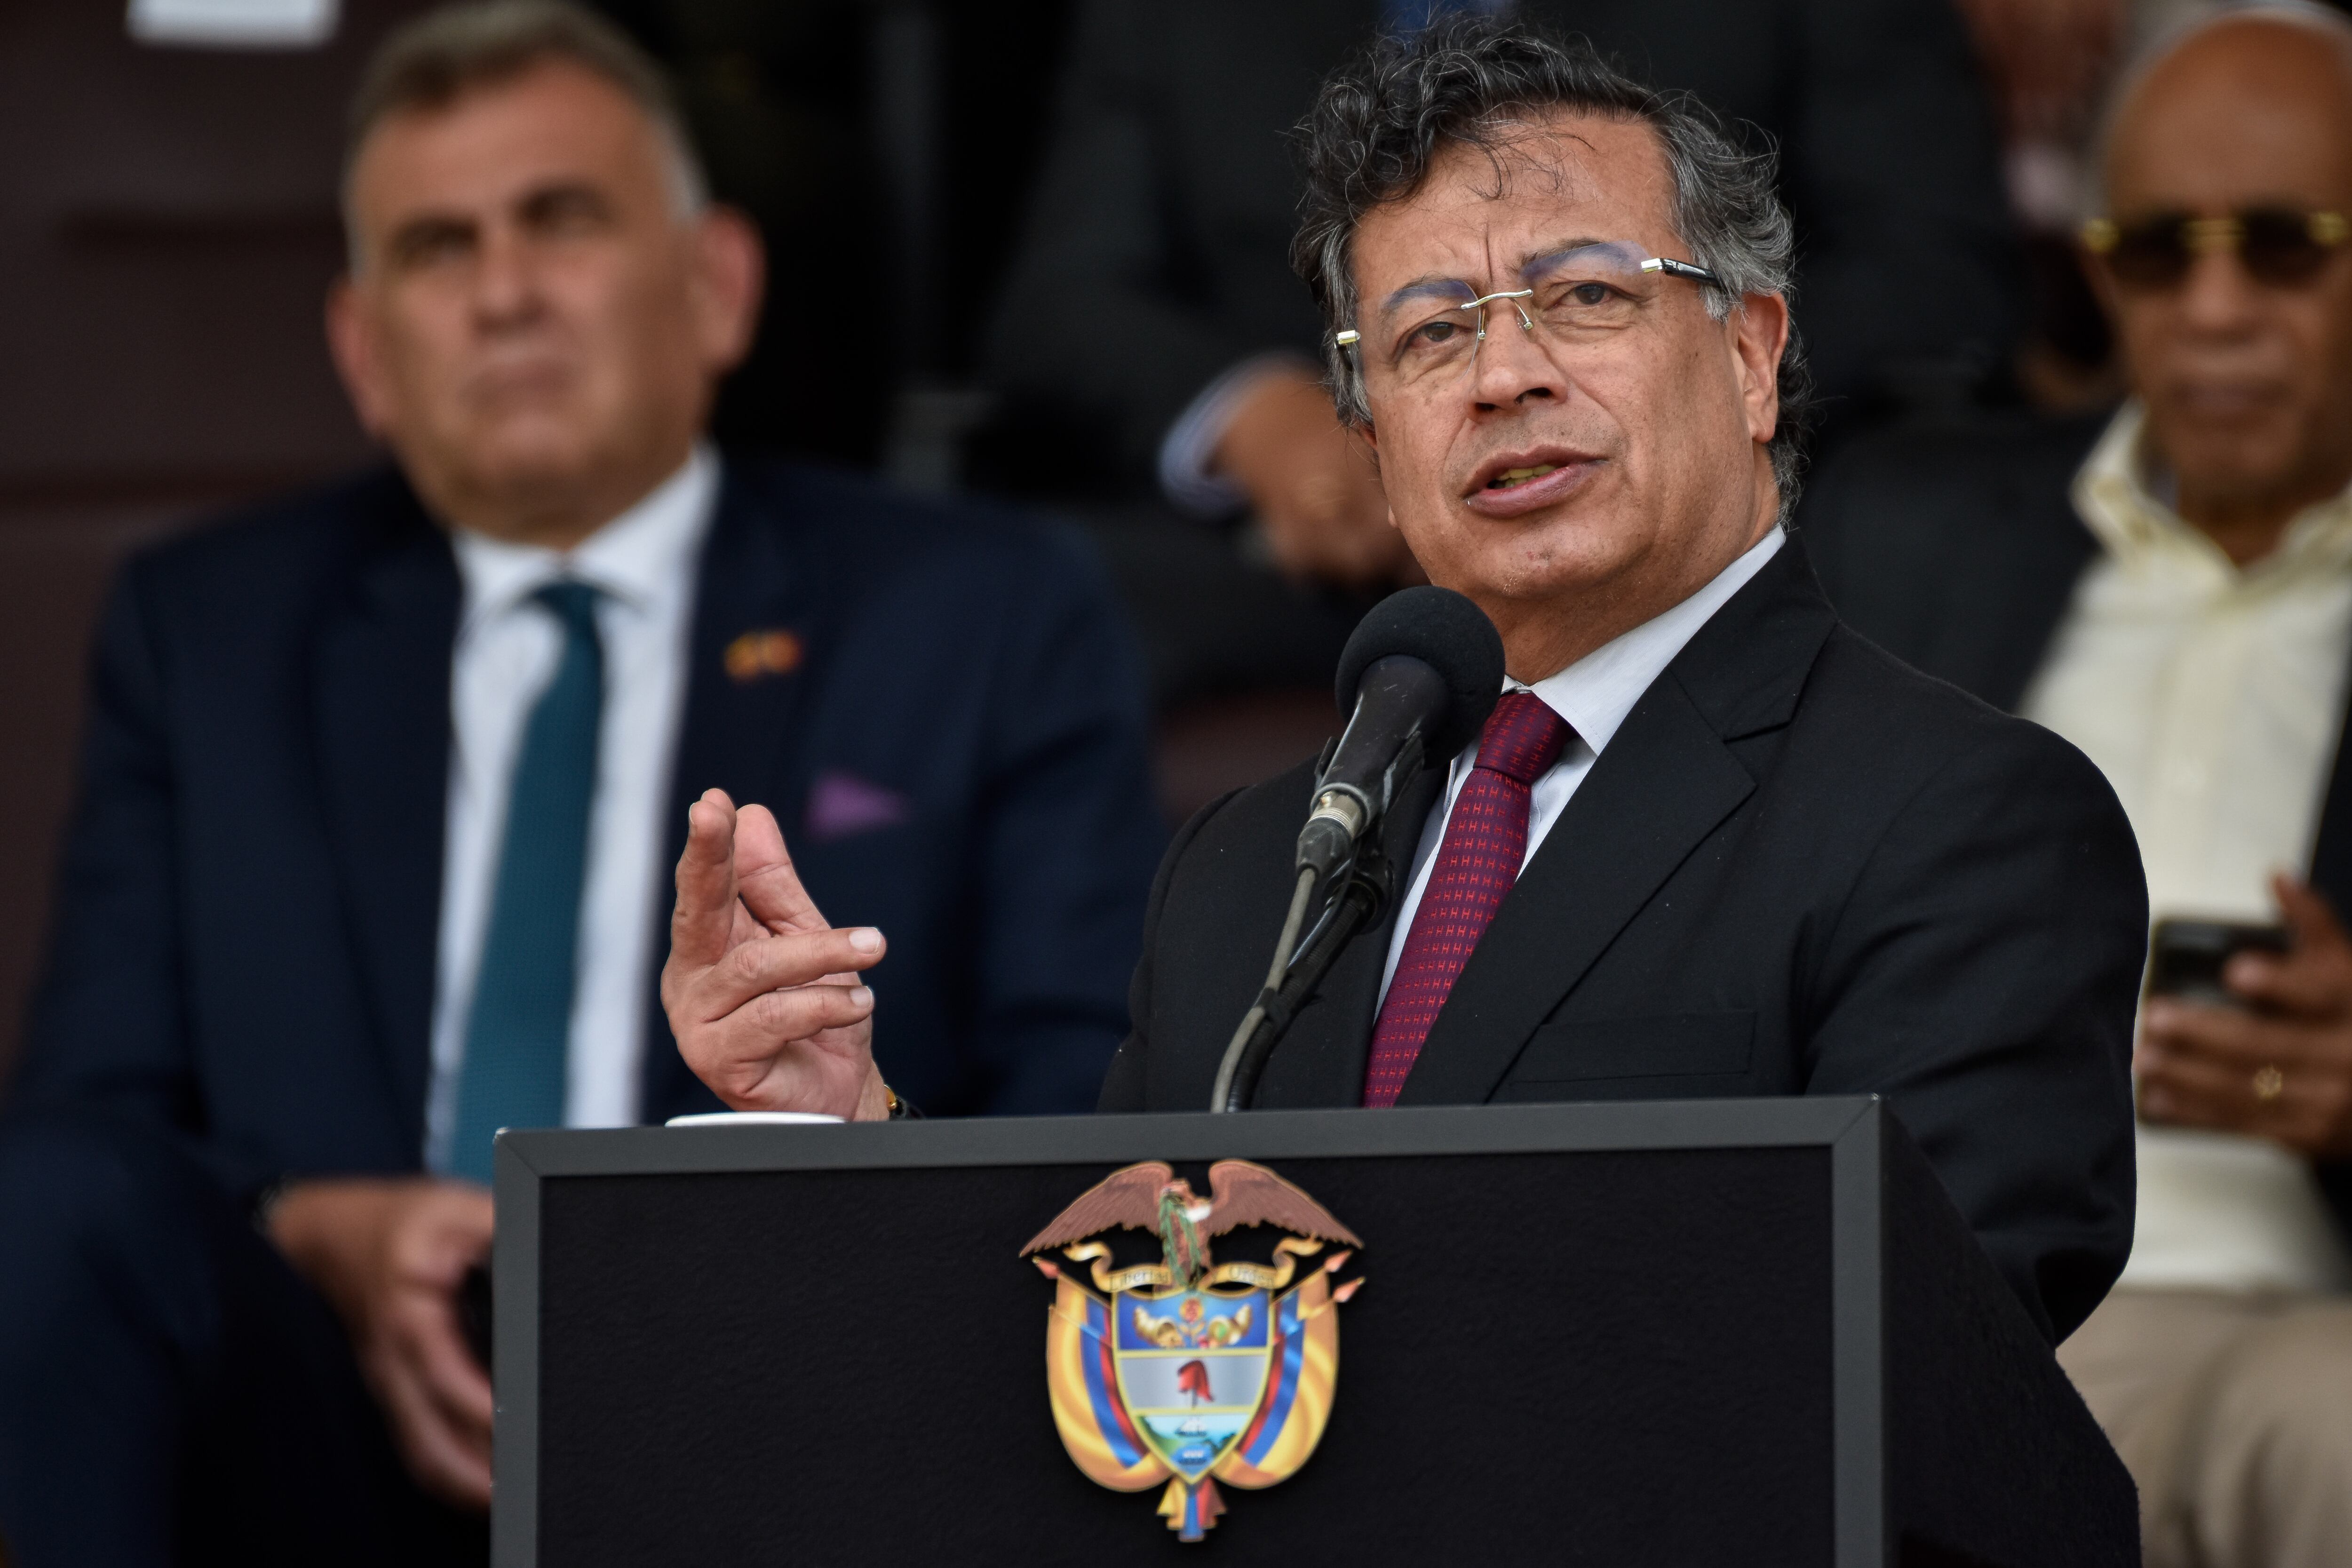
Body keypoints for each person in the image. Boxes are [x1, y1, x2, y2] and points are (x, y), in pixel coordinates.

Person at [662, 21, 2148, 1350]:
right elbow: (1125, 1334)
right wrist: (850, 1122)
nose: (1504, 376)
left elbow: (1912, 1370)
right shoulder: (1257, 863)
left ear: (1753, 357)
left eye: (1580, 298)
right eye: (1435, 332)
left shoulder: (1965, 821)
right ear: (1375, 444)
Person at [0, 3, 1161, 1563]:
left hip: (798, 1410)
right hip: (329, 1419)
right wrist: (311, 1229)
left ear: (718, 286)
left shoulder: (982, 609)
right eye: (435, 246)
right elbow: (90, 1127)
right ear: (364, 351)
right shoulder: (207, 632)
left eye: (562, 219)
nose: (502, 293)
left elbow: (1091, 1103)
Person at [1804, 8, 2352, 1564]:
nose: (2220, 309)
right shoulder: (1907, 537)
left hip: (2297, 1324)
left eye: (2290, 245)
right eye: (2161, 250)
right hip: (1921, 1296)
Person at [973, 0, 2020, 705]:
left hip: (1700, 535)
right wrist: (1256, 418)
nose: (1497, 375)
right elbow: (1061, 301)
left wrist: (1630, 383)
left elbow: (1935, 269)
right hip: (1285, 563)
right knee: (1015, 609)